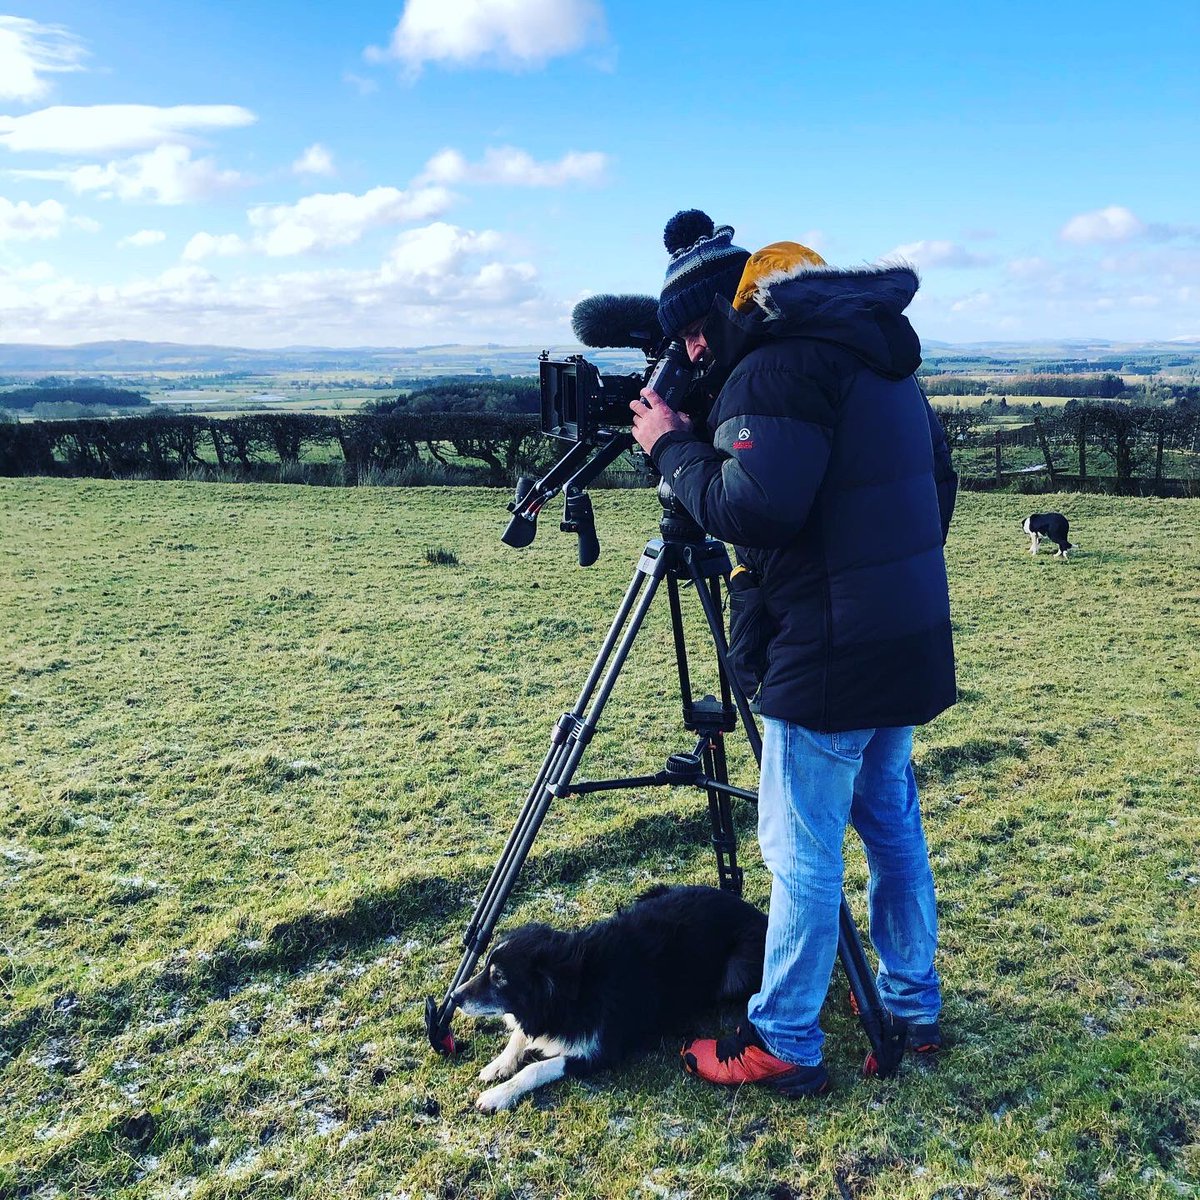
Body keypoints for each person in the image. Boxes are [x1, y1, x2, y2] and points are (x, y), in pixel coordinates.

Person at [629, 209, 957, 1097]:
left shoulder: (774, 369)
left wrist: (671, 448)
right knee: (891, 824)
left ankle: (782, 1039)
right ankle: (912, 1003)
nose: (693, 350)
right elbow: (938, 488)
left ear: (733, 310)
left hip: (828, 650)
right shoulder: (879, 356)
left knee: (800, 847)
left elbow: (754, 509)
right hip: (903, 638)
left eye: (697, 330)